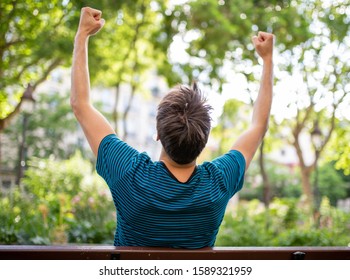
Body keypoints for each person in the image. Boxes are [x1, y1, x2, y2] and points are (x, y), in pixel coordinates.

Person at [71, 7, 274, 248]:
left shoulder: (130, 174)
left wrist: (82, 34)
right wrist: (268, 60)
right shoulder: (217, 183)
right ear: (204, 140)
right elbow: (259, 126)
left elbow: (80, 105)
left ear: (157, 133)